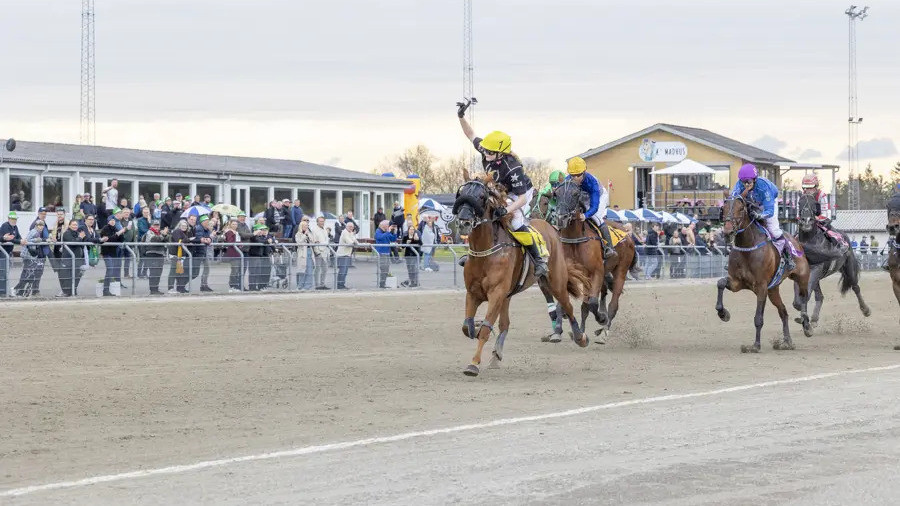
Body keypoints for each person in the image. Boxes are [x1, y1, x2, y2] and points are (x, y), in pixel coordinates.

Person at [456, 99, 548, 278]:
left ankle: (539, 260)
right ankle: (473, 253)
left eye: (490, 152)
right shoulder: (487, 149)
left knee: (514, 221)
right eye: (486, 151)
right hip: (499, 189)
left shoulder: (513, 168)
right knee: (481, 211)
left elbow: (521, 199)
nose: (486, 154)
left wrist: (506, 209)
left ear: (502, 153)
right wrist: (461, 116)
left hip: (520, 193)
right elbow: (470, 134)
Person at [731, 163, 794, 271]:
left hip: (767, 204)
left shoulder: (764, 186)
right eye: (743, 182)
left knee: (774, 230)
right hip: (751, 202)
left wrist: (760, 215)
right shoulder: (739, 184)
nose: (746, 184)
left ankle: (788, 258)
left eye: (749, 182)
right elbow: (734, 200)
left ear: (755, 179)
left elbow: (769, 210)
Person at [565, 156, 617, 261]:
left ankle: (609, 247)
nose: (575, 178)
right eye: (573, 175)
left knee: (596, 218)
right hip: (582, 197)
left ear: (584, 172)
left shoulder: (592, 182)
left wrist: (586, 215)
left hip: (599, 197)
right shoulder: (567, 181)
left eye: (578, 175)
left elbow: (594, 206)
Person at [800, 173, 843, 249]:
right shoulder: (802, 196)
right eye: (805, 187)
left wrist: (816, 218)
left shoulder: (821, 195)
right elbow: (798, 211)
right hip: (807, 220)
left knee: (828, 231)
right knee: (796, 234)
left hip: (822, 219)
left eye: (810, 187)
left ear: (816, 186)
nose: (807, 190)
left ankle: (840, 243)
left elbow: (825, 213)